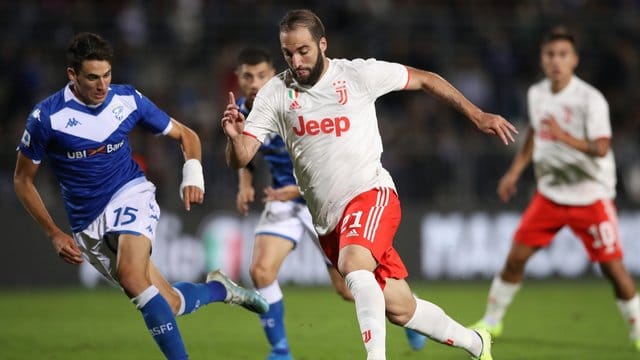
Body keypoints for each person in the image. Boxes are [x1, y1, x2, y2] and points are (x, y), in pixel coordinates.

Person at [222, 9, 518, 360]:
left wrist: (477, 114)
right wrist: (233, 137)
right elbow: (242, 157)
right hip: (328, 222)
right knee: (402, 309)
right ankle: (477, 343)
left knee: (353, 264)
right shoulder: (275, 92)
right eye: (288, 53)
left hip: (371, 195)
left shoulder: (357, 74)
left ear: (322, 44)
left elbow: (425, 78)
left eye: (303, 50)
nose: (296, 60)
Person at [13, 32, 268, 360]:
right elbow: (22, 180)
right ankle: (222, 289)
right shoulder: (46, 118)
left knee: (133, 276)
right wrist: (54, 232)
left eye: (107, 75)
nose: (102, 85)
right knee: (171, 304)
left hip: (130, 194)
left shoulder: (127, 100)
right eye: (92, 77)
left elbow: (186, 135)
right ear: (72, 75)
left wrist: (193, 175)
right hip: (87, 225)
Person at [232, 47, 427, 359]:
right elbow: (247, 157)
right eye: (247, 76)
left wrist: (295, 191)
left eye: (261, 76)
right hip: (281, 201)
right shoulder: (242, 111)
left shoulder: (289, 101)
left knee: (348, 289)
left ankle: (410, 310)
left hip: (322, 200)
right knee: (260, 271)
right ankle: (280, 349)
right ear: (238, 79)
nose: (255, 83)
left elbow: (324, 162)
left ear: (273, 76)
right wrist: (245, 184)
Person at [471, 28, 640, 350]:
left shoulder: (590, 99)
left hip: (591, 195)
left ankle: (637, 331)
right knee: (515, 258)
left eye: (563, 54)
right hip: (549, 194)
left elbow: (602, 147)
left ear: (574, 60)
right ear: (542, 59)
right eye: (550, 55)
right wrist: (515, 171)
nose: (556, 61)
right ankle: (491, 321)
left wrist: (563, 136)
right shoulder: (537, 94)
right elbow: (534, 132)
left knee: (614, 270)